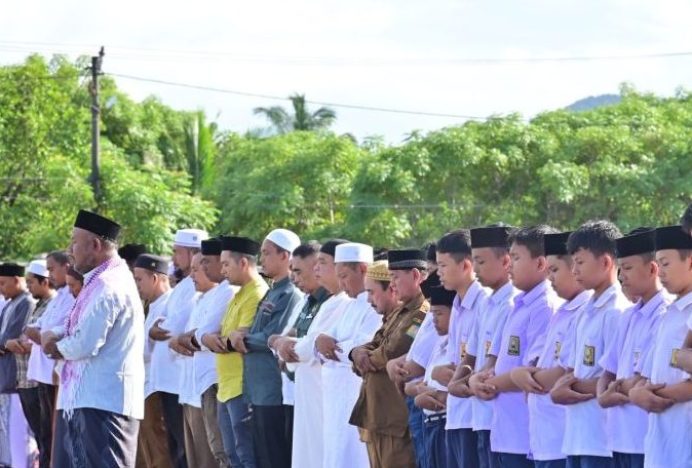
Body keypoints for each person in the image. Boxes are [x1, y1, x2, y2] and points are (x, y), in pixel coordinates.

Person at [41, 209, 145, 467]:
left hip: (103, 403)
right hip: (86, 399)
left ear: (95, 245)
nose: (70, 249)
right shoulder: (97, 282)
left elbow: (85, 343)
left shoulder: (110, 285)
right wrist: (54, 335)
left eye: (75, 242)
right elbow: (76, 327)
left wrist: (54, 348)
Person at [550, 220, 630, 468]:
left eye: (580, 262)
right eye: (573, 263)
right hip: (576, 436)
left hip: (602, 441)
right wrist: (560, 388)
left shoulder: (616, 312)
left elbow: (618, 379)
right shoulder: (585, 311)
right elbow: (572, 369)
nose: (574, 270)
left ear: (606, 262)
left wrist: (570, 388)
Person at [509, 231, 591, 468]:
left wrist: (526, 378)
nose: (550, 278)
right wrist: (521, 374)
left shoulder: (580, 311)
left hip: (562, 436)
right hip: (544, 439)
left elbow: (560, 374)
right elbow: (534, 362)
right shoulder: (561, 312)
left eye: (554, 270)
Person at [270, 240, 350, 468]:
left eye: (321, 264)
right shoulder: (313, 302)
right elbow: (288, 340)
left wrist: (287, 344)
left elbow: (307, 346)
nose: (295, 277)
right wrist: (283, 344)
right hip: (305, 390)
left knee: (323, 453)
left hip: (326, 392)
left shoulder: (340, 302)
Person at [350, 248, 430, 468]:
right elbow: (375, 343)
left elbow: (392, 351)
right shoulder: (400, 312)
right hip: (378, 417)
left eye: (395, 277)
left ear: (415, 276)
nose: (392, 283)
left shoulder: (421, 313)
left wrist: (366, 357)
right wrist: (356, 353)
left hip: (396, 420)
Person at [596, 228, 669, 468]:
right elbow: (608, 370)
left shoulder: (664, 315)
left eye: (627, 268)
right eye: (620, 269)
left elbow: (643, 380)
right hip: (617, 437)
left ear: (652, 269)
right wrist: (602, 394)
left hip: (644, 438)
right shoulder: (628, 316)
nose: (621, 276)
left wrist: (617, 386)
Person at [228, 228, 301, 468]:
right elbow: (261, 330)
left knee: (273, 457)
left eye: (267, 253)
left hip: (272, 389)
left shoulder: (291, 293)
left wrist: (243, 339)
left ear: (285, 256)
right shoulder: (274, 290)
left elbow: (274, 336)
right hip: (257, 388)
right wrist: (243, 333)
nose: (261, 260)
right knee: (260, 456)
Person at [447, 224, 516, 468]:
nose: (475, 269)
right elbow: (471, 357)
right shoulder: (487, 303)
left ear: (506, 261)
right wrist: (457, 381)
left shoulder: (512, 303)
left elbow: (493, 361)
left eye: (481, 262)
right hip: (480, 416)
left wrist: (472, 381)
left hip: (502, 419)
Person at [201, 236, 268, 468]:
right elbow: (220, 334)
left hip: (243, 387)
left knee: (246, 455)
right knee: (232, 454)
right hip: (227, 387)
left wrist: (213, 340)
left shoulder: (257, 293)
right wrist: (210, 338)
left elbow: (239, 338)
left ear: (243, 264)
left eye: (226, 264)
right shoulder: (238, 293)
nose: (222, 269)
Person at [630, 225, 692, 468]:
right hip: (661, 443)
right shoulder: (669, 313)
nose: (661, 272)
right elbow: (647, 374)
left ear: (689, 262)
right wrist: (637, 392)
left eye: (666, 264)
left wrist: (653, 396)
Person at [315, 242, 381, 468]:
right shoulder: (348, 305)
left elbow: (362, 346)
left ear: (362, 270)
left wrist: (333, 347)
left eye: (344, 276)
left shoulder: (374, 305)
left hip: (355, 392)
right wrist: (322, 343)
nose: (341, 284)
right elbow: (323, 342)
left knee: (354, 454)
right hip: (335, 397)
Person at [149, 228, 208, 468]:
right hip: (167, 379)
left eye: (177, 252)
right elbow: (156, 327)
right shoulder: (182, 286)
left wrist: (157, 329)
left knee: (186, 449)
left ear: (193, 252)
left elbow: (172, 328)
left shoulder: (194, 287)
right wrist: (156, 329)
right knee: (176, 446)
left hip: (177, 379)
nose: (174, 258)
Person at [431, 230, 488, 468]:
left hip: (475, 416)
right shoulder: (457, 302)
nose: (438, 272)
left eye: (443, 265)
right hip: (457, 414)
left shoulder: (484, 301)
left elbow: (482, 361)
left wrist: (458, 375)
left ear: (466, 265)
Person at [172, 251, 233, 468]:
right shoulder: (203, 298)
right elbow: (184, 337)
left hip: (212, 383)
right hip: (194, 386)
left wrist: (189, 338)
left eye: (200, 266)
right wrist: (187, 338)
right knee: (197, 458)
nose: (194, 275)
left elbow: (200, 335)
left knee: (214, 454)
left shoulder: (228, 292)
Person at [23, 251, 75, 468]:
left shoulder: (71, 296)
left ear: (66, 267)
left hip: (55, 374)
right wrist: (40, 334)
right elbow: (36, 329)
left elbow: (52, 332)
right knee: (45, 433)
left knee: (54, 434)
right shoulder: (60, 296)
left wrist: (41, 334)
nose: (50, 274)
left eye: (52, 269)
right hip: (43, 374)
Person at [4, 260, 54, 468]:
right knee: (39, 435)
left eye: (32, 282)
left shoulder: (33, 303)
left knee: (44, 436)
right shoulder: (33, 305)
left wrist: (11, 343)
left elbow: (23, 340)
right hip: (24, 378)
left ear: (45, 282)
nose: (29, 286)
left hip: (37, 380)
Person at [408, 285, 457, 468]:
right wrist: (419, 390)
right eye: (433, 314)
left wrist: (428, 394)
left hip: (443, 422)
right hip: (431, 423)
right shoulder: (439, 339)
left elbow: (414, 369)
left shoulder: (457, 343)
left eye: (439, 314)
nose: (434, 319)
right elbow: (415, 381)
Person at [134, 253, 174, 468]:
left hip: (158, 387)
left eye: (139, 279)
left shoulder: (171, 303)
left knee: (160, 448)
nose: (137, 285)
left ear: (155, 278)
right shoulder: (152, 306)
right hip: (146, 386)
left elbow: (148, 349)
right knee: (147, 447)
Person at [0, 262, 36, 468]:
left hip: (18, 378)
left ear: (16, 280)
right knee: (10, 432)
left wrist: (4, 344)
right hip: (6, 378)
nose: (1, 289)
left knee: (20, 433)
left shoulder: (26, 303)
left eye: (3, 283)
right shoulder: (11, 303)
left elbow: (10, 338)